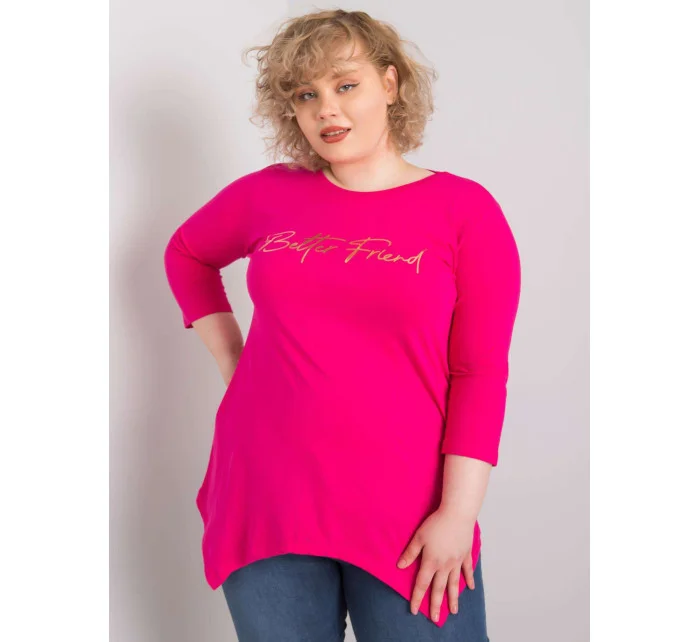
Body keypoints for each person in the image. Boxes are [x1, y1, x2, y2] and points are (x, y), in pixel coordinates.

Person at [163, 8, 521, 642]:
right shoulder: (267, 195)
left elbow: (479, 373)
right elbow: (188, 253)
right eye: (307, 94)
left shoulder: (464, 211)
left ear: (390, 83)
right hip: (265, 493)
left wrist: (458, 513)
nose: (326, 108)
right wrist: (234, 362)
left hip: (407, 511)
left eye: (345, 85)